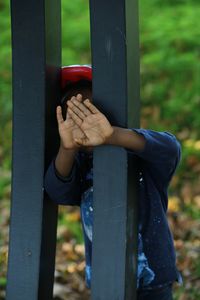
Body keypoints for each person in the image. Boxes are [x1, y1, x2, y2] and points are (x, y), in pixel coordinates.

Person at [44, 65, 183, 299]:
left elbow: (170, 149)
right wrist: (67, 148)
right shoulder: (80, 165)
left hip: (153, 279)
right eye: (74, 114)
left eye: (89, 109)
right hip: (105, 281)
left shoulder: (139, 157)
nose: (83, 122)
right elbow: (56, 190)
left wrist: (113, 135)